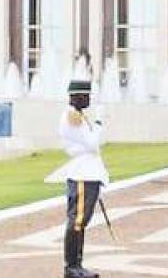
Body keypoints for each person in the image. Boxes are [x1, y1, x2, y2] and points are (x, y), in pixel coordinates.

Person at [59, 79, 109, 278]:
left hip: (88, 173)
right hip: (82, 174)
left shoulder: (78, 116)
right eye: (85, 96)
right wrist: (99, 122)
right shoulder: (73, 117)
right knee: (77, 221)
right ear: (76, 97)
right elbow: (92, 143)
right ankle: (71, 267)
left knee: (81, 221)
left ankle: (77, 265)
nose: (88, 99)